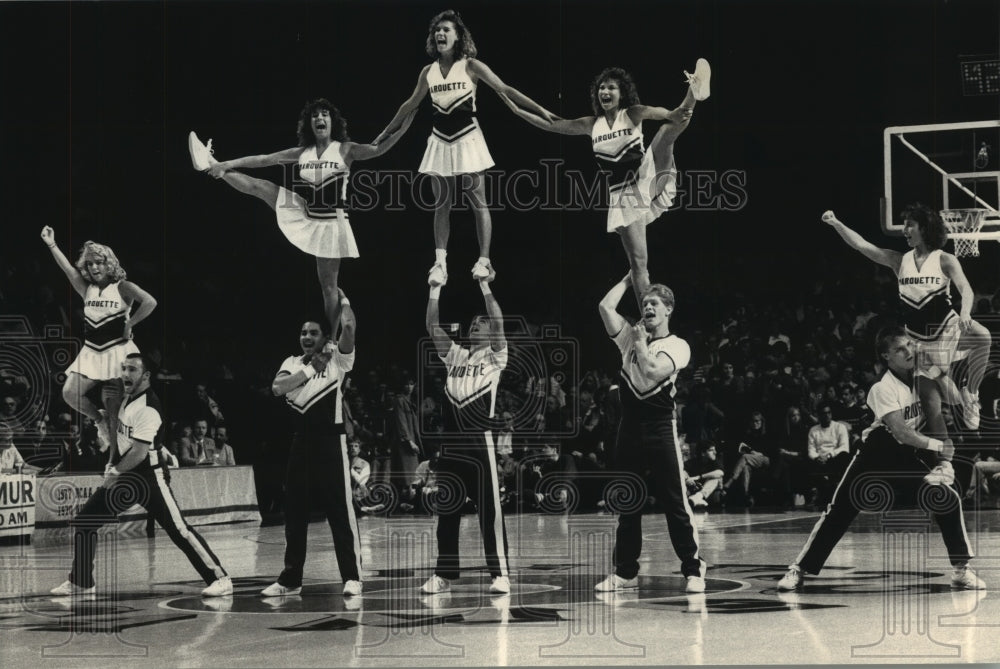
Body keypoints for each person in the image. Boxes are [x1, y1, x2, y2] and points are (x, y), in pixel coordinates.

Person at [778, 328, 985, 591]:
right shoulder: (882, 388)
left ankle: (960, 570)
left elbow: (955, 400)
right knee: (838, 511)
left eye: (910, 345)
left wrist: (940, 371)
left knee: (945, 497)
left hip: (908, 455)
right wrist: (940, 447)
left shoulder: (923, 377)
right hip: (876, 452)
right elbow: (900, 431)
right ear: (886, 356)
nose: (909, 351)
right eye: (900, 349)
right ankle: (798, 569)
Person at [188, 98, 413, 332]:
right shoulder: (301, 152)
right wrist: (228, 162)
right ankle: (212, 164)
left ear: (332, 121)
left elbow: (379, 148)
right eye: (314, 115)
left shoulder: (346, 149)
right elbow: (264, 159)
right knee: (261, 186)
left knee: (328, 287)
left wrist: (403, 128)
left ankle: (331, 343)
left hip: (331, 224)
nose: (319, 118)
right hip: (306, 212)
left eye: (324, 114)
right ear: (309, 124)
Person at [500, 62, 710, 306]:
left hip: (646, 177)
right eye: (601, 88)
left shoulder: (631, 113)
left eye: (611, 88)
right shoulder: (591, 124)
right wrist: (517, 111)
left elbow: (656, 111)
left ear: (622, 94)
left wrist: (671, 114)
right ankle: (648, 324)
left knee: (666, 132)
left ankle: (694, 90)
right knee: (638, 263)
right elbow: (552, 124)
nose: (605, 92)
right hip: (624, 196)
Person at [373, 9, 557, 286]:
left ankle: (484, 260)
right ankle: (440, 264)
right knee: (441, 204)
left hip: (468, 136)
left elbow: (505, 89)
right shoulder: (428, 72)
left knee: (477, 201)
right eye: (437, 30)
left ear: (458, 36)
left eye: (446, 29)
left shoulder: (471, 66)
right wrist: (384, 133)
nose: (440, 34)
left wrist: (541, 109)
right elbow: (409, 105)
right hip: (439, 139)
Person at [50, 353, 231, 597]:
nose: (125, 373)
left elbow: (138, 452)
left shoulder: (148, 408)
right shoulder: (125, 398)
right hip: (127, 474)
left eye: (132, 369)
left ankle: (220, 578)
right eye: (123, 368)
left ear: (146, 376)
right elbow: (120, 438)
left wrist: (115, 470)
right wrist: (109, 449)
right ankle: (81, 581)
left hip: (148, 476)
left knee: (179, 530)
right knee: (85, 522)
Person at [821, 207, 991, 434]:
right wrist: (836, 223)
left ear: (925, 228)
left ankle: (972, 392)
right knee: (950, 400)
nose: (905, 230)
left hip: (947, 327)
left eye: (910, 225)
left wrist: (966, 313)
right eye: (904, 225)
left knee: (983, 337)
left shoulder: (945, 259)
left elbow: (966, 289)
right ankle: (950, 385)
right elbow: (863, 245)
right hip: (919, 340)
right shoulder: (899, 260)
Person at [595, 274, 706, 593]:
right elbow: (605, 306)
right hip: (628, 426)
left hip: (660, 426)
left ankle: (693, 569)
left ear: (669, 309)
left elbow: (654, 371)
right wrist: (630, 279)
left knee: (675, 503)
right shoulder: (629, 337)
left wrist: (641, 342)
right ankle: (625, 571)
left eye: (654, 303)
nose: (647, 307)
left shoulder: (677, 345)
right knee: (628, 503)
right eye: (644, 304)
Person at [263, 288, 363, 598]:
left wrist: (343, 300)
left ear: (323, 337)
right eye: (303, 332)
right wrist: (310, 369)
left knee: (340, 513)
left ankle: (353, 577)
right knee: (295, 513)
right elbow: (278, 388)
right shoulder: (292, 363)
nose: (307, 336)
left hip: (331, 443)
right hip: (300, 443)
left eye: (313, 332)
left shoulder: (338, 361)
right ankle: (291, 579)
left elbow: (348, 327)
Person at [420, 262, 510, 595]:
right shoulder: (456, 356)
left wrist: (485, 286)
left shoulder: (496, 358)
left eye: (481, 323)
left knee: (490, 512)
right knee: (447, 512)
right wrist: (434, 288)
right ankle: (444, 574)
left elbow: (499, 321)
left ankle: (499, 573)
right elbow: (432, 327)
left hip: (480, 442)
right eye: (474, 323)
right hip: (451, 444)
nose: (476, 325)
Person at [40, 228, 157, 452]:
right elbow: (66, 269)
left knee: (116, 410)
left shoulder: (123, 287)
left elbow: (150, 302)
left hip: (118, 351)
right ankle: (98, 420)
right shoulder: (87, 289)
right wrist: (51, 244)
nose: (94, 267)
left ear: (108, 264)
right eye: (90, 264)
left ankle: (127, 455)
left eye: (99, 262)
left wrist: (130, 323)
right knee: (69, 393)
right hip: (92, 351)